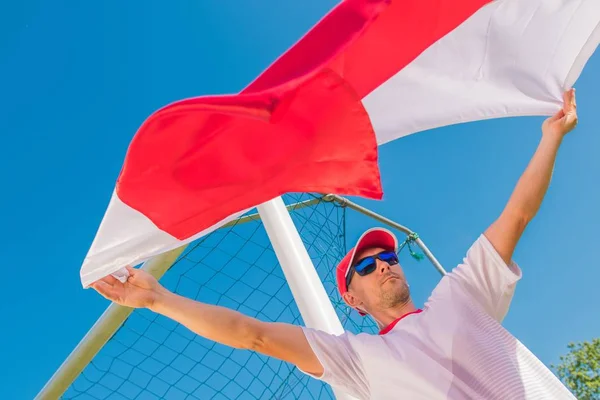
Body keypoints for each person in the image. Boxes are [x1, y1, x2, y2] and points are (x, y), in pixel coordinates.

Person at [91, 89, 579, 399]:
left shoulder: (461, 296)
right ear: (351, 299)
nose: (383, 266)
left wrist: (551, 137)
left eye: (386, 257)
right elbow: (251, 333)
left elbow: (516, 215)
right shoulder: (355, 361)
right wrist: (158, 298)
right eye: (366, 267)